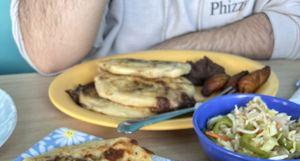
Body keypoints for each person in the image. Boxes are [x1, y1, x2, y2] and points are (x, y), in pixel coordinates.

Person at [11, 0, 300, 75]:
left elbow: (294, 22)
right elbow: (48, 52)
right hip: (97, 131)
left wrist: (167, 57)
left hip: (233, 123)